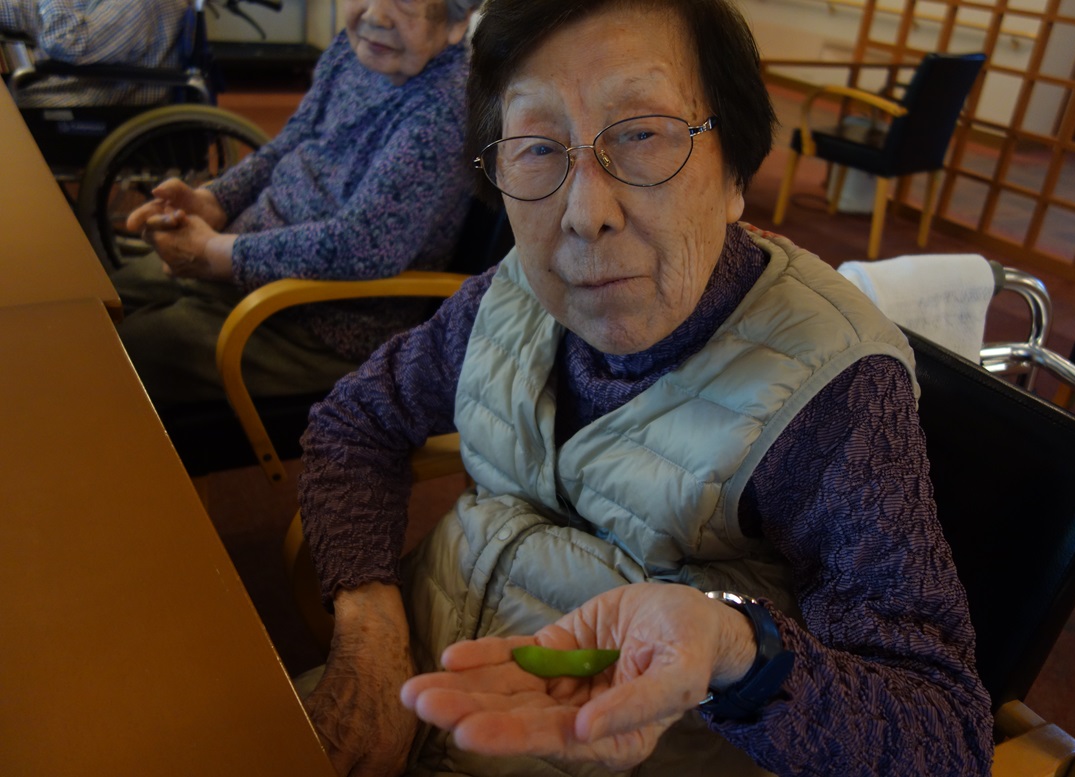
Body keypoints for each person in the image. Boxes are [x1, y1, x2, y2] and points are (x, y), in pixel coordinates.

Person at [296, 0, 995, 775]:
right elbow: (354, 420)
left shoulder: (832, 393)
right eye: (537, 149)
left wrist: (738, 651)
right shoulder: (509, 292)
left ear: (734, 174)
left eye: (640, 134)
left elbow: (944, 734)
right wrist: (370, 634)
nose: (585, 214)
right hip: (413, 687)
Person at [112, 0, 479, 406]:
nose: (375, 16)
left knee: (118, 355)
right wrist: (215, 200)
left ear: (457, 22)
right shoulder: (354, 50)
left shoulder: (442, 113)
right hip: (252, 256)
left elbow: (360, 245)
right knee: (105, 300)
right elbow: (292, 141)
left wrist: (217, 254)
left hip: (317, 320)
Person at [0, 0, 191, 108]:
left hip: (94, 104)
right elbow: (36, 12)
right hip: (79, 87)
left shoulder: (142, 4)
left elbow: (68, 43)